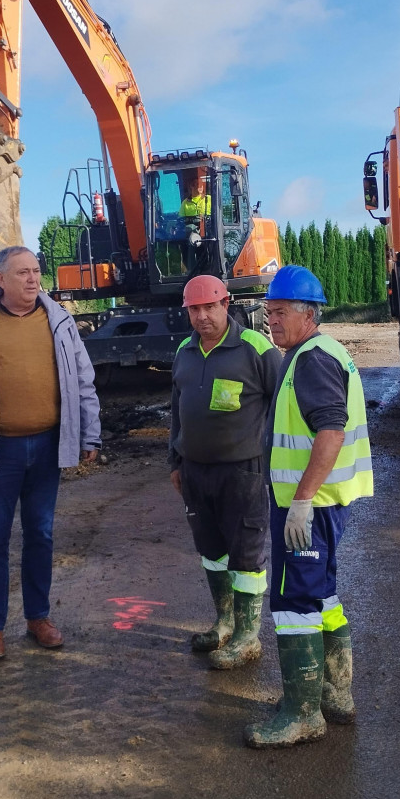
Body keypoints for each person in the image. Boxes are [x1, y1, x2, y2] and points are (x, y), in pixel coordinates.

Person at [0, 246, 101, 661]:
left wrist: (89, 435)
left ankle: (38, 617)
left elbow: (84, 379)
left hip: (47, 446)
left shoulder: (60, 320)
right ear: (0, 280)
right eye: (22, 272)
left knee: (40, 534)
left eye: (36, 271)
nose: (33, 279)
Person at [244, 266, 374, 749]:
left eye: (279, 313)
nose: (270, 321)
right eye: (268, 312)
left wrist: (299, 503)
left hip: (307, 508)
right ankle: (335, 694)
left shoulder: (312, 359)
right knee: (323, 595)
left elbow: (331, 432)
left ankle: (302, 714)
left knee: (295, 602)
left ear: (307, 313)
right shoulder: (318, 353)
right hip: (324, 504)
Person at [169, 275, 281, 669]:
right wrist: (176, 460)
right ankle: (225, 622)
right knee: (212, 551)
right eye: (194, 310)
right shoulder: (184, 351)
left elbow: (284, 402)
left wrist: (278, 460)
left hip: (243, 473)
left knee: (246, 554)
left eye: (209, 307)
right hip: (197, 473)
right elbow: (177, 411)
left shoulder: (256, 349)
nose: (202, 317)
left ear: (226, 304)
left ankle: (249, 636)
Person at [179, 174, 212, 273]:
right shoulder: (185, 203)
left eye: (201, 184)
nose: (200, 187)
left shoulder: (209, 199)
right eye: (197, 184)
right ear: (191, 186)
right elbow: (181, 219)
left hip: (207, 231)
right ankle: (190, 269)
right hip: (192, 233)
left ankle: (207, 268)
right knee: (185, 241)